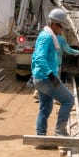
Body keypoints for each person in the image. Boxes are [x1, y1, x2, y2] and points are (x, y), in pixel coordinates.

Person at [31, 8, 75, 137]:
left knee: (45, 107)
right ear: (54, 24)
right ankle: (60, 131)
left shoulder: (49, 36)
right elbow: (39, 58)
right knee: (68, 100)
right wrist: (51, 75)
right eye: (61, 26)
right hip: (46, 78)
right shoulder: (47, 37)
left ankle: (41, 136)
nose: (62, 29)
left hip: (41, 77)